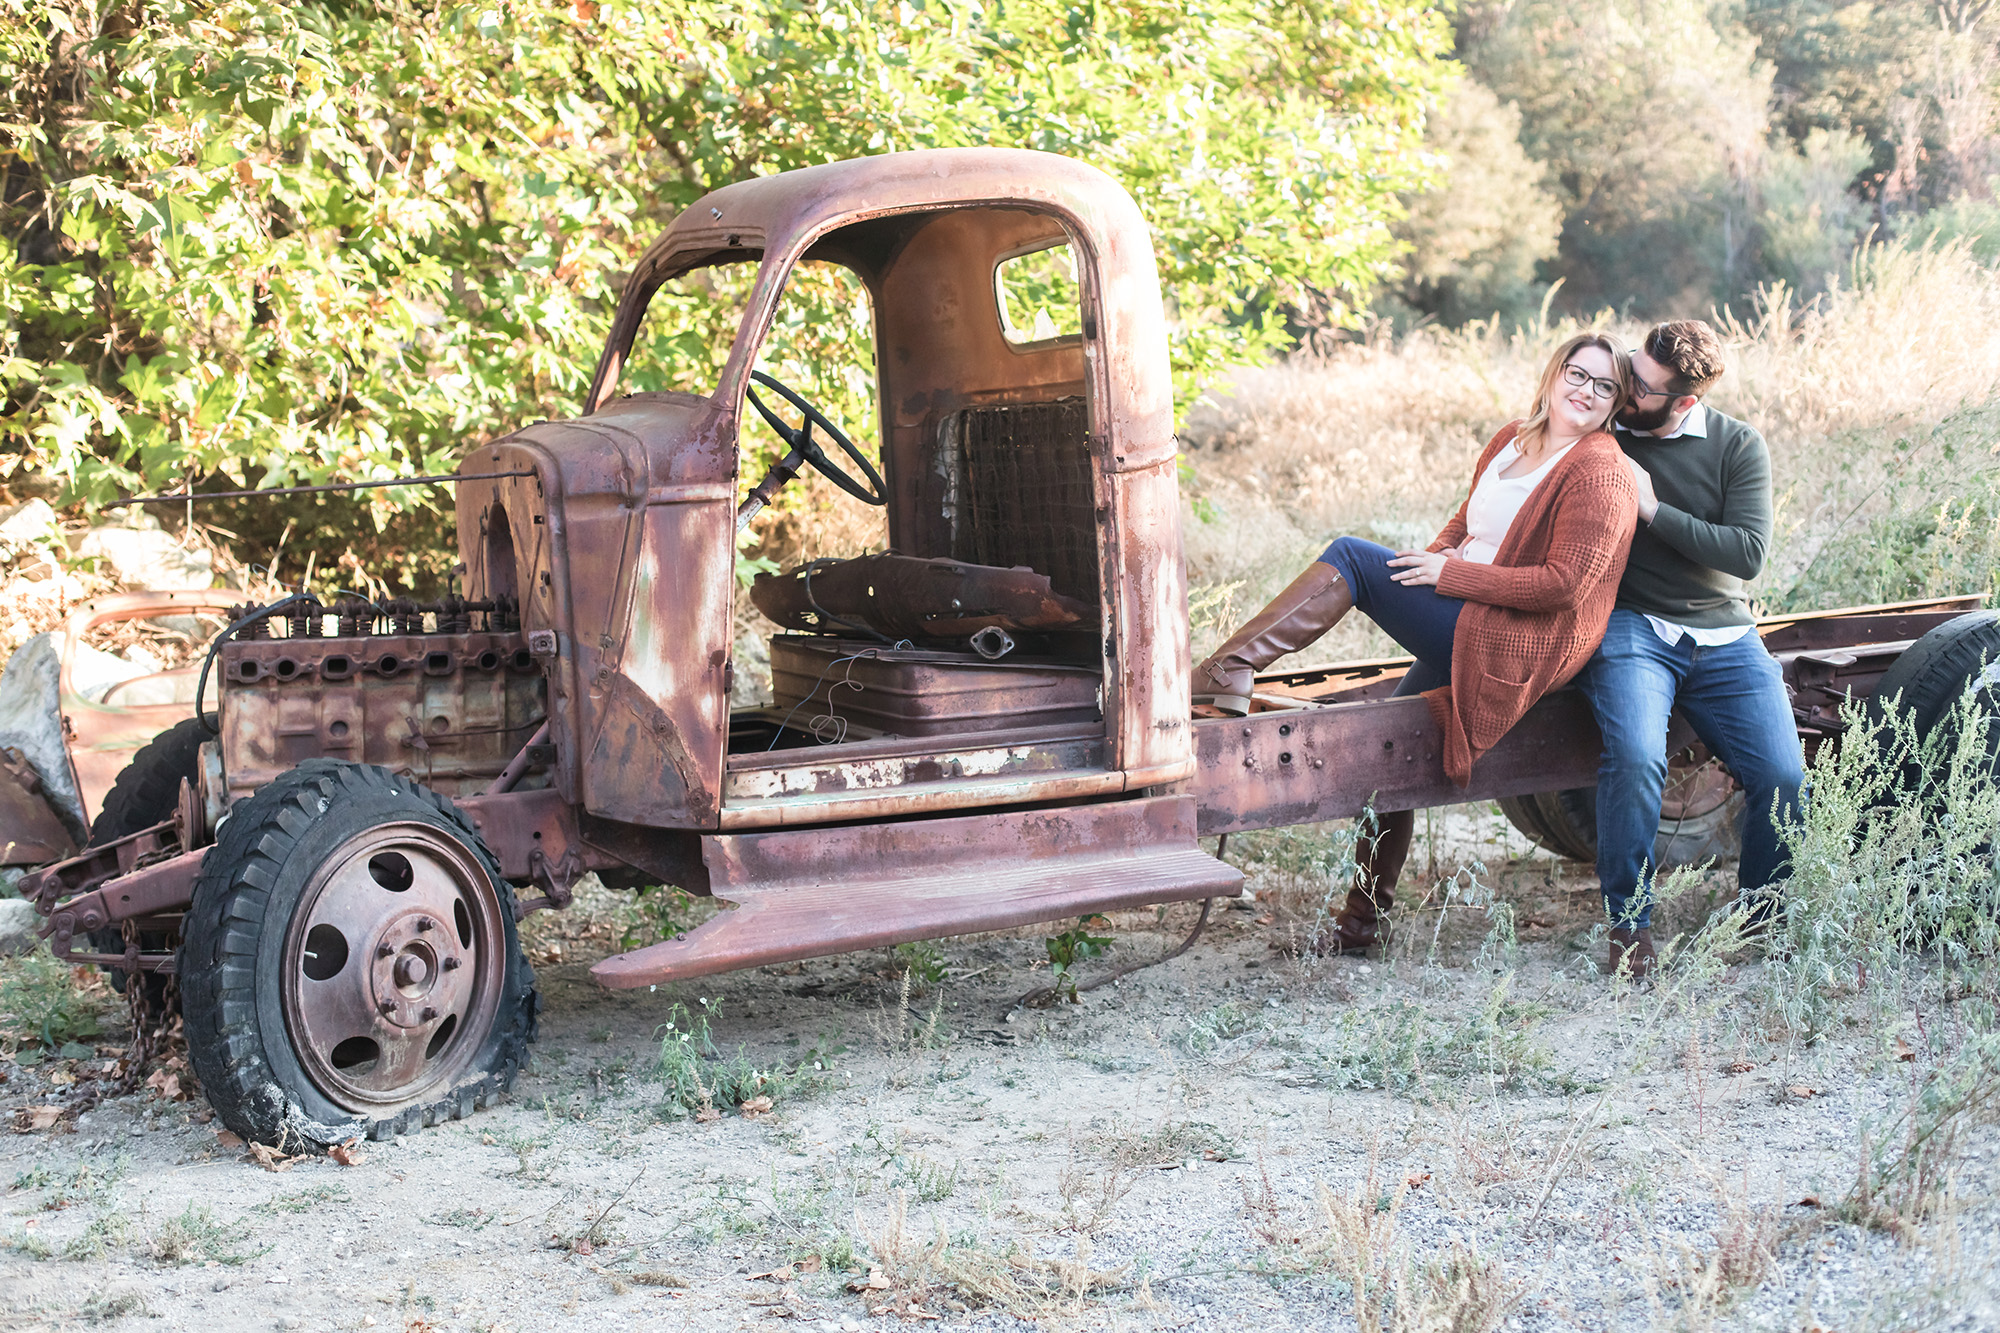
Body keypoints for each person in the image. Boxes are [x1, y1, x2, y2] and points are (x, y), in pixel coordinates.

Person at [1194, 333, 1640, 952]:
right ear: (1553, 373)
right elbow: (1467, 520)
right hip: (1466, 609)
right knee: (1389, 755)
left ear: (1617, 402)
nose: (1586, 392)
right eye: (1578, 374)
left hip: (1517, 636)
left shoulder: (1602, 470)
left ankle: (1227, 668)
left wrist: (1447, 576)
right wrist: (1431, 562)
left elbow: (1566, 585)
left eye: (1604, 386)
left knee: (1351, 555)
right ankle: (1359, 927)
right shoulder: (1513, 437)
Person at [1578, 319, 1804, 979]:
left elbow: (1747, 553)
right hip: (1632, 626)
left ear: (1683, 401)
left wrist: (1653, 511)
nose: (1624, 389)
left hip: (1723, 630)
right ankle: (1630, 924)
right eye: (1629, 368)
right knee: (1636, 756)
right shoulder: (1605, 430)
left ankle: (1759, 920)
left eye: (1642, 388)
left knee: (1784, 778)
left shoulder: (1736, 445)